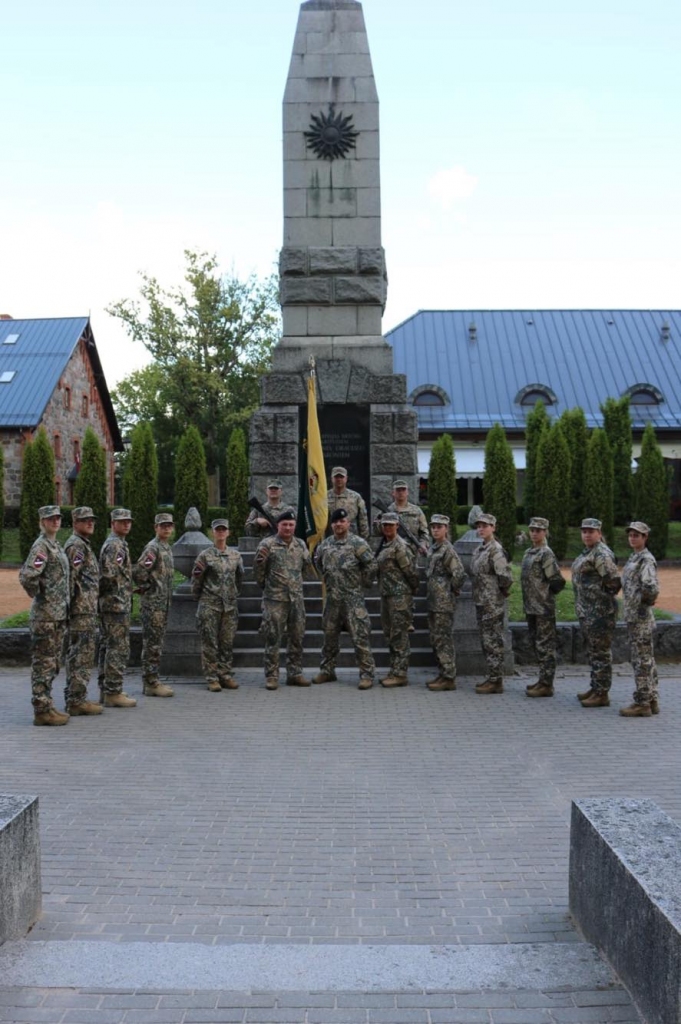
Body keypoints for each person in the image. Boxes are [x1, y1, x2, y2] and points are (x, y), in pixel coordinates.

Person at [313, 508, 377, 690]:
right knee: (329, 639)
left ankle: (366, 674)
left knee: (360, 639)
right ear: (331, 524)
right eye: (335, 522)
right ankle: (327, 670)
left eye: (342, 521)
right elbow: (318, 564)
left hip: (352, 600)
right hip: (332, 600)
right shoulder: (324, 545)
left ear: (348, 523)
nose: (339, 524)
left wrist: (363, 582)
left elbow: (371, 565)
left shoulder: (358, 543)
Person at [19, 505, 70, 726]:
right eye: (50, 519)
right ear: (42, 521)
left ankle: (47, 705)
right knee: (43, 662)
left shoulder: (55, 546)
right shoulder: (41, 547)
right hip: (46, 616)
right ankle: (41, 710)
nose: (55, 521)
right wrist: (42, 595)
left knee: (53, 662)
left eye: (58, 518)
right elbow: (28, 576)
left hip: (57, 615)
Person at [253, 509, 314, 690]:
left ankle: (294, 673)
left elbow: (305, 569)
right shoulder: (267, 545)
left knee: (297, 637)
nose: (288, 528)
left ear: (295, 526)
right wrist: (269, 588)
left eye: (291, 525)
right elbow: (258, 572)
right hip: (275, 600)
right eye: (284, 524)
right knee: (273, 638)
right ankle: (272, 676)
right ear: (277, 525)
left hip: (296, 599)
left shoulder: (301, 545)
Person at [572, 517, 621, 709]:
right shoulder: (588, 552)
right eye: (584, 531)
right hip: (588, 611)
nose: (586, 535)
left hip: (600, 612)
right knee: (593, 651)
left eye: (591, 531)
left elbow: (613, 582)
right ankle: (595, 687)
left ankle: (602, 693)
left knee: (600, 652)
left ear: (599, 533)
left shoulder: (601, 554)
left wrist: (600, 600)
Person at [191, 518, 244, 692]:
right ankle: (212, 677)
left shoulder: (236, 556)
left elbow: (239, 578)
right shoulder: (205, 556)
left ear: (228, 532)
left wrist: (233, 595)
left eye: (224, 530)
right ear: (212, 532)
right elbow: (196, 580)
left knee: (227, 642)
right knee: (209, 643)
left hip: (229, 606)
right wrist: (201, 598)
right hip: (209, 605)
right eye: (217, 530)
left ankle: (225, 674)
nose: (221, 532)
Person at [63, 506, 103, 716]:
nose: (90, 523)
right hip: (80, 610)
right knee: (81, 654)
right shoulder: (76, 547)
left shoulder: (83, 545)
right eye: (85, 520)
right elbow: (70, 578)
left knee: (82, 654)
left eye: (92, 520)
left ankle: (76, 697)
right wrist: (70, 607)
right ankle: (76, 700)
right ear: (75, 522)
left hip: (86, 608)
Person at [521, 517, 566, 699]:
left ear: (545, 532)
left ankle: (547, 684)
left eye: (538, 530)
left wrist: (545, 595)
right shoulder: (529, 552)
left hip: (543, 608)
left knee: (545, 646)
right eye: (532, 530)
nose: (534, 533)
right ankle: (542, 679)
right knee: (537, 644)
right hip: (530, 607)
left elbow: (557, 580)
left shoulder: (545, 554)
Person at [132, 513, 176, 698]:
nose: (166, 528)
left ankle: (153, 678)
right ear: (155, 527)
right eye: (163, 525)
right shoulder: (153, 548)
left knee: (157, 643)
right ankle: (150, 682)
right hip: (153, 604)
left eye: (169, 525)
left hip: (162, 604)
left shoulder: (166, 547)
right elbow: (140, 570)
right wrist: (147, 587)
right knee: (152, 644)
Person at [620, 521, 660, 718]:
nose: (633, 538)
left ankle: (642, 702)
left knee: (641, 660)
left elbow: (651, 588)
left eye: (637, 535)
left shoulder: (645, 559)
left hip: (640, 618)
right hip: (634, 616)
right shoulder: (635, 557)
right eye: (631, 535)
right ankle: (651, 698)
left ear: (645, 538)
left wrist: (642, 606)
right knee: (646, 658)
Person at [470, 512, 513, 695]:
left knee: (493, 640)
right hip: (481, 600)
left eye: (485, 526)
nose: (481, 529)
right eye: (479, 526)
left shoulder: (495, 549)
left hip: (492, 602)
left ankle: (496, 680)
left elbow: (505, 576)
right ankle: (491, 676)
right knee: (486, 640)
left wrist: (499, 591)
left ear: (493, 528)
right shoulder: (480, 549)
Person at [376, 511, 420, 687]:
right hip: (387, 595)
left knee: (399, 635)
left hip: (399, 596)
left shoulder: (400, 547)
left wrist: (411, 592)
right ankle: (394, 669)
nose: (387, 527)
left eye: (391, 525)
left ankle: (400, 673)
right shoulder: (385, 546)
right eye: (385, 524)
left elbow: (410, 572)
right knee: (390, 635)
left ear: (397, 526)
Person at [98, 508, 136, 708]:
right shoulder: (114, 546)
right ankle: (113, 691)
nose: (126, 524)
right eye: (122, 522)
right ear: (113, 524)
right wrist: (115, 598)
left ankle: (107, 689)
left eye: (128, 521)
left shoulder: (119, 544)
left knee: (108, 645)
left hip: (114, 603)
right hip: (115, 605)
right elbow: (108, 576)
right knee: (117, 647)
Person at [425, 514, 466, 691]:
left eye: (439, 527)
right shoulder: (435, 548)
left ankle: (449, 677)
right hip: (434, 602)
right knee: (436, 639)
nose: (435, 529)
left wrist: (453, 589)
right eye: (433, 526)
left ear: (446, 529)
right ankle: (443, 673)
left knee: (443, 639)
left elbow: (459, 574)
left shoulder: (448, 550)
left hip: (443, 604)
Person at [373, 479, 429, 555]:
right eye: (398, 490)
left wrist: (423, 543)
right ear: (393, 493)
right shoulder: (386, 511)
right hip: (391, 552)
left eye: (403, 490)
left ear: (407, 492)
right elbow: (377, 532)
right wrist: (378, 524)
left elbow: (424, 531)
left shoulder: (417, 511)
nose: (401, 492)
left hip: (412, 552)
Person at [327, 467, 369, 539]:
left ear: (346, 478)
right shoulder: (324, 497)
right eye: (336, 477)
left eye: (341, 477)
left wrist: (364, 539)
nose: (339, 479)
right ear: (332, 479)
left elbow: (363, 520)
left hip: (351, 541)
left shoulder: (356, 497)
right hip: (330, 541)